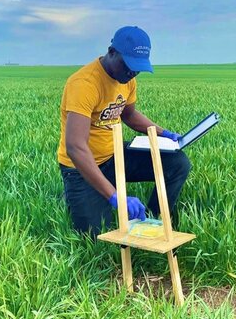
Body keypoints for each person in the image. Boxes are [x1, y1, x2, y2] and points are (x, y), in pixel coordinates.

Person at [57, 25, 192, 238]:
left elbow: (128, 115)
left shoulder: (127, 79)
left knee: (178, 164)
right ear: (111, 52)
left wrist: (162, 133)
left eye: (138, 68)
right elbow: (75, 147)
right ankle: (78, 194)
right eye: (128, 65)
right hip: (81, 167)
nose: (132, 73)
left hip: (114, 156)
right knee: (98, 236)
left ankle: (152, 218)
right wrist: (115, 197)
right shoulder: (84, 84)